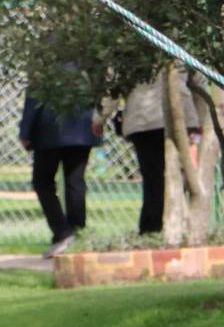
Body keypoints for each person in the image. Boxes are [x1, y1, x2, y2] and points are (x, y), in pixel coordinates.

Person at [112, 74, 201, 236]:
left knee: (153, 179)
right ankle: (164, 227)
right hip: (178, 117)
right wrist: (200, 119)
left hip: (144, 120)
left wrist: (99, 117)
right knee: (174, 176)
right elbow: (199, 82)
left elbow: (112, 85)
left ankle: (153, 227)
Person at [19, 94, 102, 258]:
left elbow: (36, 93)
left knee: (42, 181)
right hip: (83, 123)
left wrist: (25, 130)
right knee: (75, 181)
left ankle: (63, 232)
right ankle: (77, 234)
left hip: (49, 125)